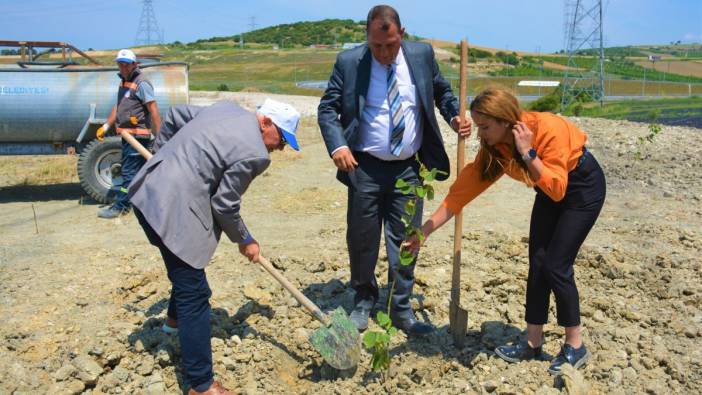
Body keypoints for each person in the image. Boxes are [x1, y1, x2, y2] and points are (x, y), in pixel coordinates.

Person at [404, 87, 606, 374]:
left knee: (556, 265)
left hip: (582, 189)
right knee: (537, 264)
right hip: (547, 190)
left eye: (485, 127)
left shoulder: (548, 129)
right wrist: (424, 232)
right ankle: (532, 344)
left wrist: (527, 152)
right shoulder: (496, 148)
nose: (480, 134)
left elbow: (559, 189)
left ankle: (575, 344)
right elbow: (459, 195)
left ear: (505, 120)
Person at [128, 99, 301, 395]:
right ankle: (201, 385)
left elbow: (176, 115)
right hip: (173, 210)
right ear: (266, 122)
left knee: (186, 272)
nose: (281, 148)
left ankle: (172, 323)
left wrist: (162, 157)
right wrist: (245, 239)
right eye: (282, 138)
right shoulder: (256, 154)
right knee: (194, 292)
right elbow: (224, 204)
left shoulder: (226, 108)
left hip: (149, 191)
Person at [317, 4, 471, 335]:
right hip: (365, 167)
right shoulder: (349, 62)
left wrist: (455, 114)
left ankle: (401, 308)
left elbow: (443, 92)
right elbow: (328, 108)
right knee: (362, 236)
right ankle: (363, 299)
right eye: (377, 46)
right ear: (367, 38)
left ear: (402, 34)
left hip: (410, 168)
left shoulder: (421, 56)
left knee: (407, 238)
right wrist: (338, 146)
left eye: (390, 45)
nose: (384, 53)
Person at [96, 48, 161, 219]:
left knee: (129, 174)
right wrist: (105, 125)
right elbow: (118, 106)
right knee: (138, 173)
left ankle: (122, 206)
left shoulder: (142, 83)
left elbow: (153, 110)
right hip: (127, 136)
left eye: (126, 64)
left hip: (137, 137)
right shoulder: (123, 82)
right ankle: (147, 204)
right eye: (120, 64)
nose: (123, 67)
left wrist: (160, 135)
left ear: (134, 64)